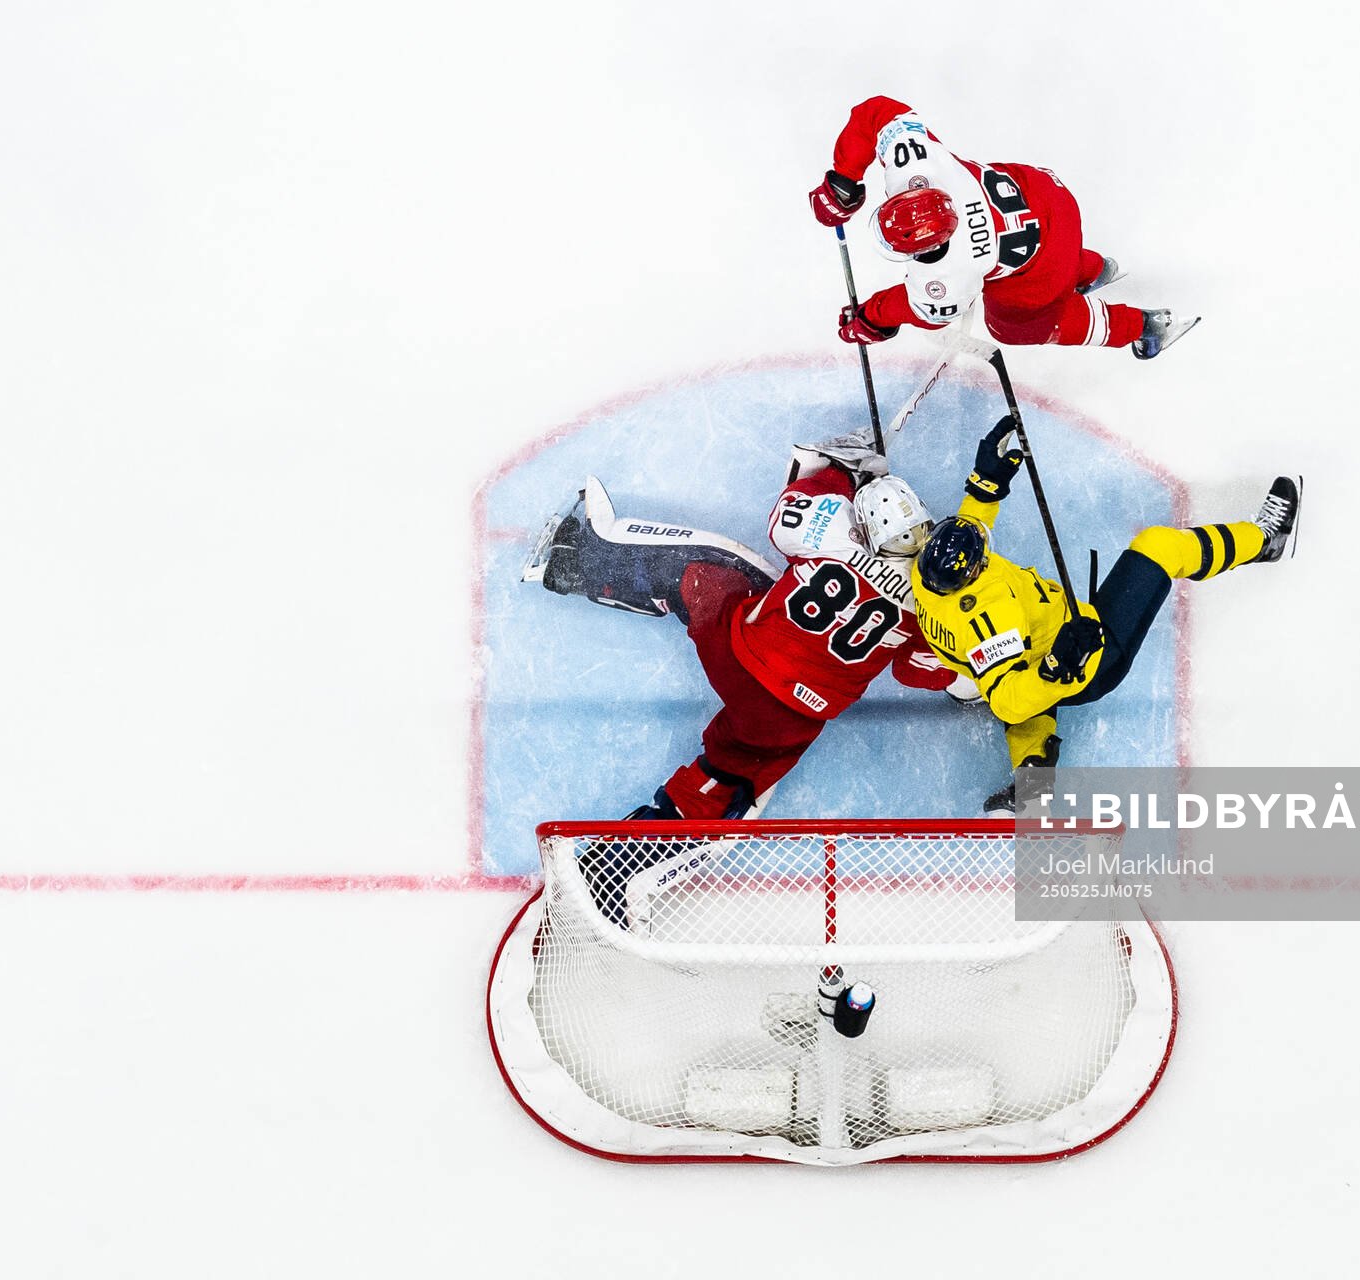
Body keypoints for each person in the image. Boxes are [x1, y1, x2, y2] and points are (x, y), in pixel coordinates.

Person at [527, 443, 967, 823]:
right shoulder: (931, 605)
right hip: (788, 719)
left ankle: (579, 566)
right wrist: (970, 673)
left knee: (698, 574)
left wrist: (836, 475)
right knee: (728, 777)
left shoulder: (837, 540)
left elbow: (787, 513)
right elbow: (917, 671)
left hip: (737, 653)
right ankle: (642, 849)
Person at [910, 418, 1302, 813]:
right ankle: (1266, 540)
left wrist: (984, 484)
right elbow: (1010, 702)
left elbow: (969, 532)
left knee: (1021, 688)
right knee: (1159, 547)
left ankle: (1033, 782)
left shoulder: (925, 574)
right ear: (972, 574)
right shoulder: (990, 618)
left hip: (1012, 646)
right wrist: (1055, 666)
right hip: (1087, 661)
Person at [809, 95, 1192, 359]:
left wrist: (872, 320)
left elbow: (918, 308)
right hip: (1045, 193)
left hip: (1047, 253)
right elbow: (878, 112)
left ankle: (1143, 325)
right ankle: (1092, 269)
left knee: (1015, 327)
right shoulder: (920, 166)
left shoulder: (947, 274)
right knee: (1030, 264)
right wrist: (843, 180)